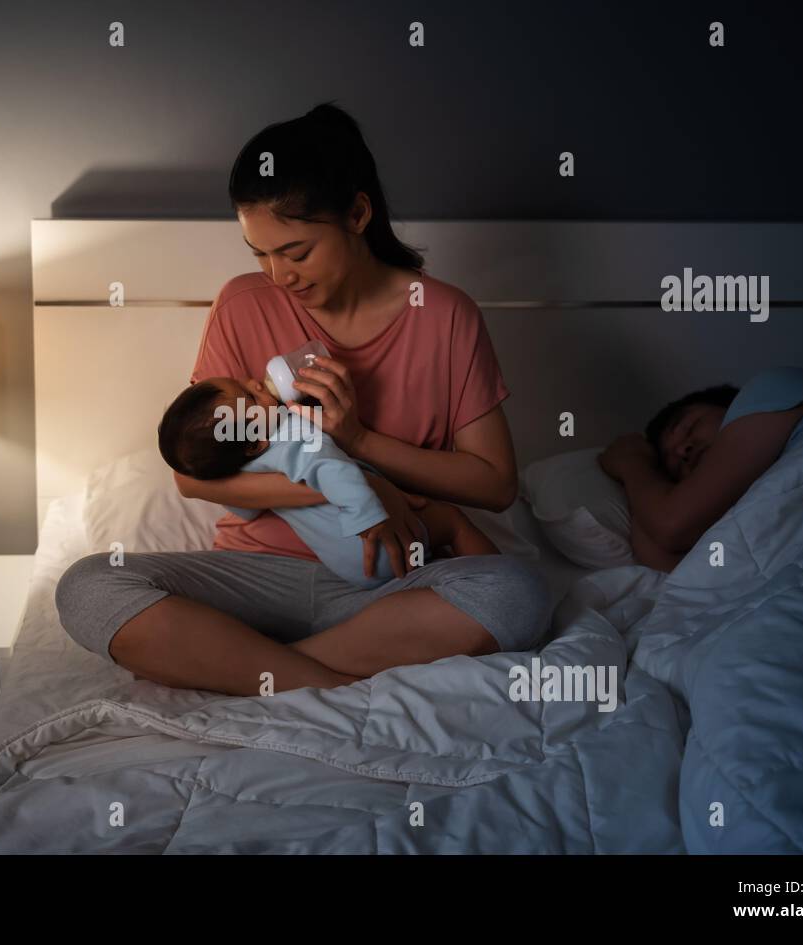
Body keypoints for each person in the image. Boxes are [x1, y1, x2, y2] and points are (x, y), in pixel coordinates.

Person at [56, 102, 550, 696]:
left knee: (516, 594)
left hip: (385, 586)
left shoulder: (444, 315)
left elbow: (494, 485)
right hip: (253, 580)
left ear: (358, 213)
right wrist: (361, 487)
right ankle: (315, 678)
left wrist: (360, 441)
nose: (278, 276)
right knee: (87, 586)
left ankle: (252, 668)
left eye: (295, 252)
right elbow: (195, 479)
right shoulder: (243, 304)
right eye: (260, 254)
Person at [157, 374, 498, 588]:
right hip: (372, 539)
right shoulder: (295, 434)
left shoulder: (242, 465)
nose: (257, 384)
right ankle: (496, 582)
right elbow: (336, 470)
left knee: (424, 561)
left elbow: (246, 510)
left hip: (346, 565)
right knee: (452, 522)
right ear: (255, 442)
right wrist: (369, 518)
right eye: (251, 398)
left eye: (245, 383)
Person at [599, 365, 803, 571]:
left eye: (690, 426)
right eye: (674, 464)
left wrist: (630, 461)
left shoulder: (775, 387)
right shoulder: (743, 515)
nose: (683, 450)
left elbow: (671, 524)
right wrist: (645, 478)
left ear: (733, 407)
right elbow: (670, 569)